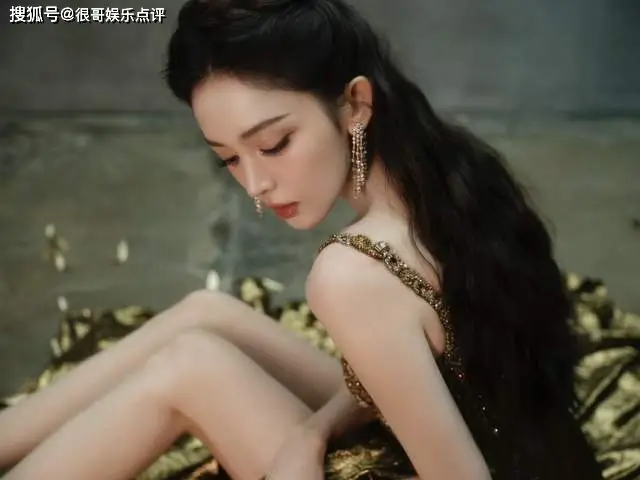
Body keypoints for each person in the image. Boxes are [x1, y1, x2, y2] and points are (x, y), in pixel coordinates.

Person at [0, 0, 610, 478]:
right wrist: (310, 433)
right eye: (229, 159)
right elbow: (431, 374)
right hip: (537, 457)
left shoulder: (352, 272)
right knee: (208, 314)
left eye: (274, 144)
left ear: (355, 104)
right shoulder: (450, 169)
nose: (256, 185)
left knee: (191, 367)